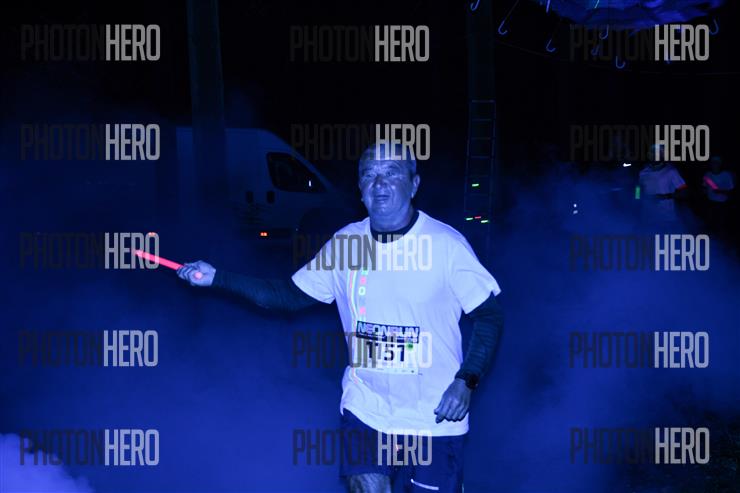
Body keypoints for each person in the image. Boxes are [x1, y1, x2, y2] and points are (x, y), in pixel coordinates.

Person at [177, 141, 504, 493]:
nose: (379, 183)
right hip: (367, 408)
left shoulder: (446, 246)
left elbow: (489, 316)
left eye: (391, 173)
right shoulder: (346, 244)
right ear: (360, 189)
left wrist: (466, 381)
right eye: (369, 175)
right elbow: (285, 296)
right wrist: (217, 278)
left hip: (434, 417)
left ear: (414, 184)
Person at [637, 143, 688, 224]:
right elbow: (638, 188)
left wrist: (664, 196)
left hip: (667, 217)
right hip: (648, 216)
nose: (654, 155)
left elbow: (684, 192)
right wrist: (637, 199)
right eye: (652, 152)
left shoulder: (671, 171)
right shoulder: (643, 172)